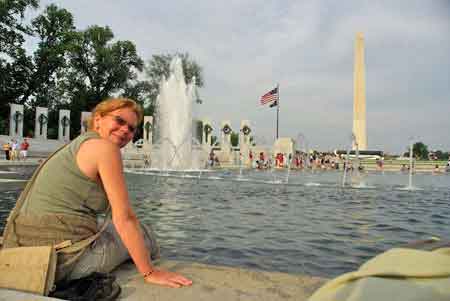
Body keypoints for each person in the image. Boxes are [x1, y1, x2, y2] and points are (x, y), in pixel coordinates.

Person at [2, 98, 192, 289]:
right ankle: (154, 271)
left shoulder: (77, 145)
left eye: (132, 128)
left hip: (26, 252)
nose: (126, 130)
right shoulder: (105, 148)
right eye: (119, 121)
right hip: (62, 264)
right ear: (98, 119)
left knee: (110, 227)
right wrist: (150, 273)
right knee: (144, 233)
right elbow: (124, 218)